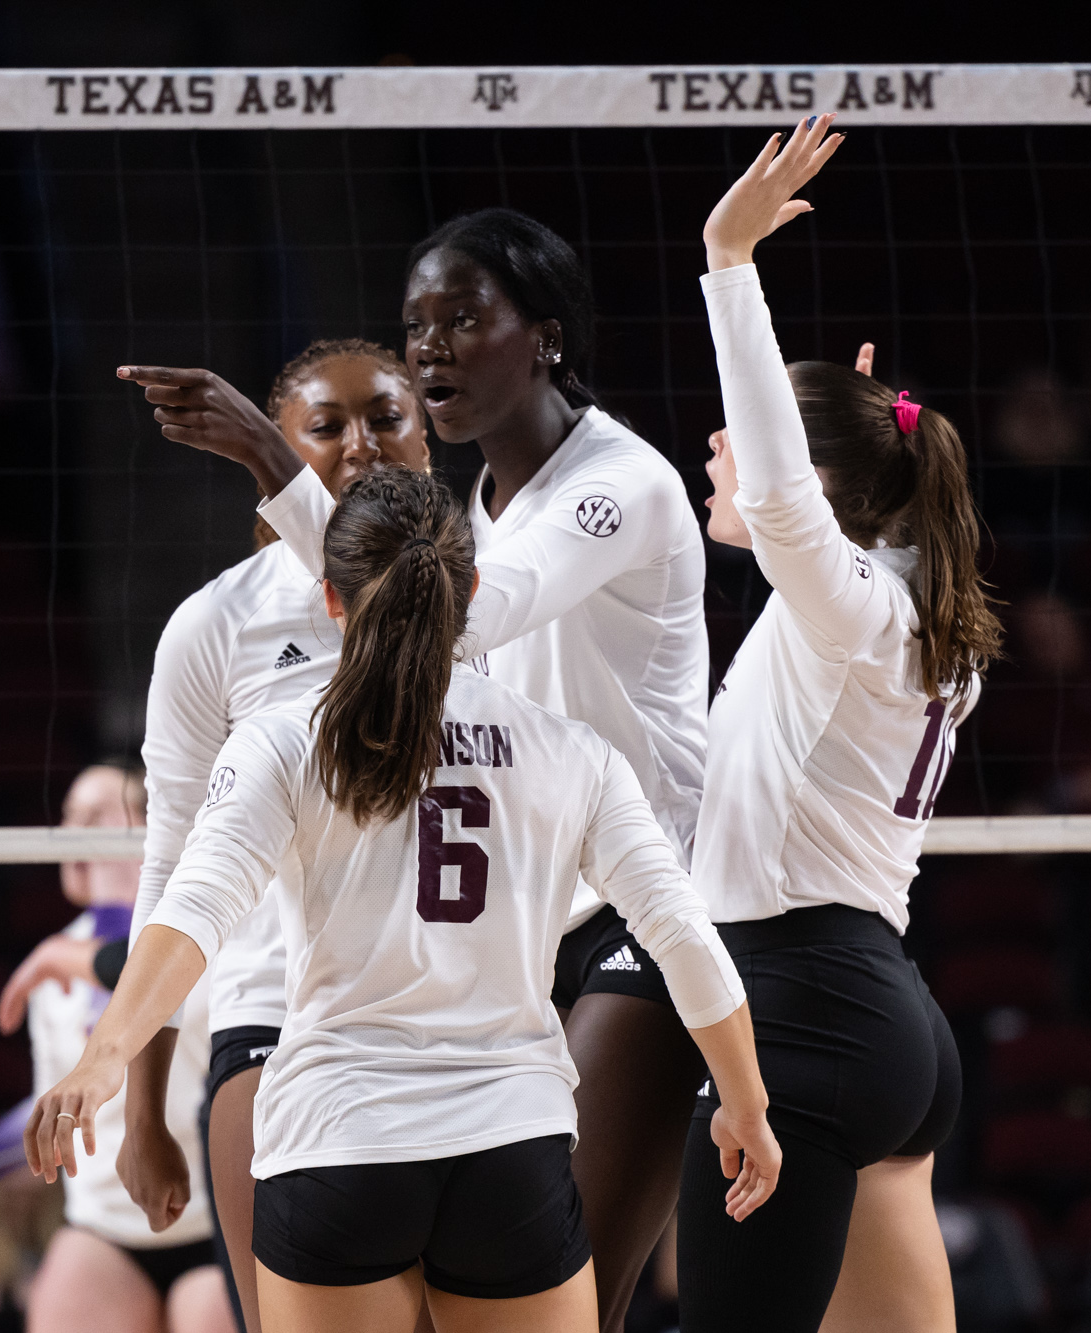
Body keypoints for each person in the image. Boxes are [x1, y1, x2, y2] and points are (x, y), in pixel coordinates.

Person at [120, 208, 712, 1332]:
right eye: (417, 324)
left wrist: (264, 459)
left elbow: (449, 616)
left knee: (573, 1285)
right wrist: (130, 1082)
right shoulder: (482, 509)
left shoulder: (612, 484)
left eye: (460, 321)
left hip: (637, 902)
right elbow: (177, 869)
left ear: (542, 336)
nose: (432, 345)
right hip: (497, 952)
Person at [30, 467, 780, 1333]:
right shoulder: (573, 751)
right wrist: (746, 1103)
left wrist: (101, 1060)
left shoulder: (282, 741)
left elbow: (191, 915)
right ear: (471, 590)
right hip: (509, 1149)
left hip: (338, 1146)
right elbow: (683, 936)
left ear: (328, 599)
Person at [682, 115, 1001, 1332]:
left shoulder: (847, 610)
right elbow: (806, 485)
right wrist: (855, 420)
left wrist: (728, 259)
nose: (715, 448)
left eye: (738, 431)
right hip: (886, 1021)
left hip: (801, 1010)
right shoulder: (913, 600)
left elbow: (770, 485)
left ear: (818, 499)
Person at [104, 340, 430, 1333]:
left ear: (428, 436)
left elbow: (390, 591)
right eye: (323, 428)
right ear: (279, 452)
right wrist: (140, 1107)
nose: (361, 445)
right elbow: (167, 872)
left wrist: (264, 449)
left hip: (454, 1031)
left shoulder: (479, 595)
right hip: (271, 1027)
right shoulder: (212, 627)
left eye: (384, 418)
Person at [0, 763, 231, 1333]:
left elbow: (142, 977)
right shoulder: (55, 960)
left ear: (151, 830)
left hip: (208, 1222)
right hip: (103, 1227)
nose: (72, 832)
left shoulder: (209, 929)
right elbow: (49, 1108)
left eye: (93, 816)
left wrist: (67, 956)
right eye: (66, 817)